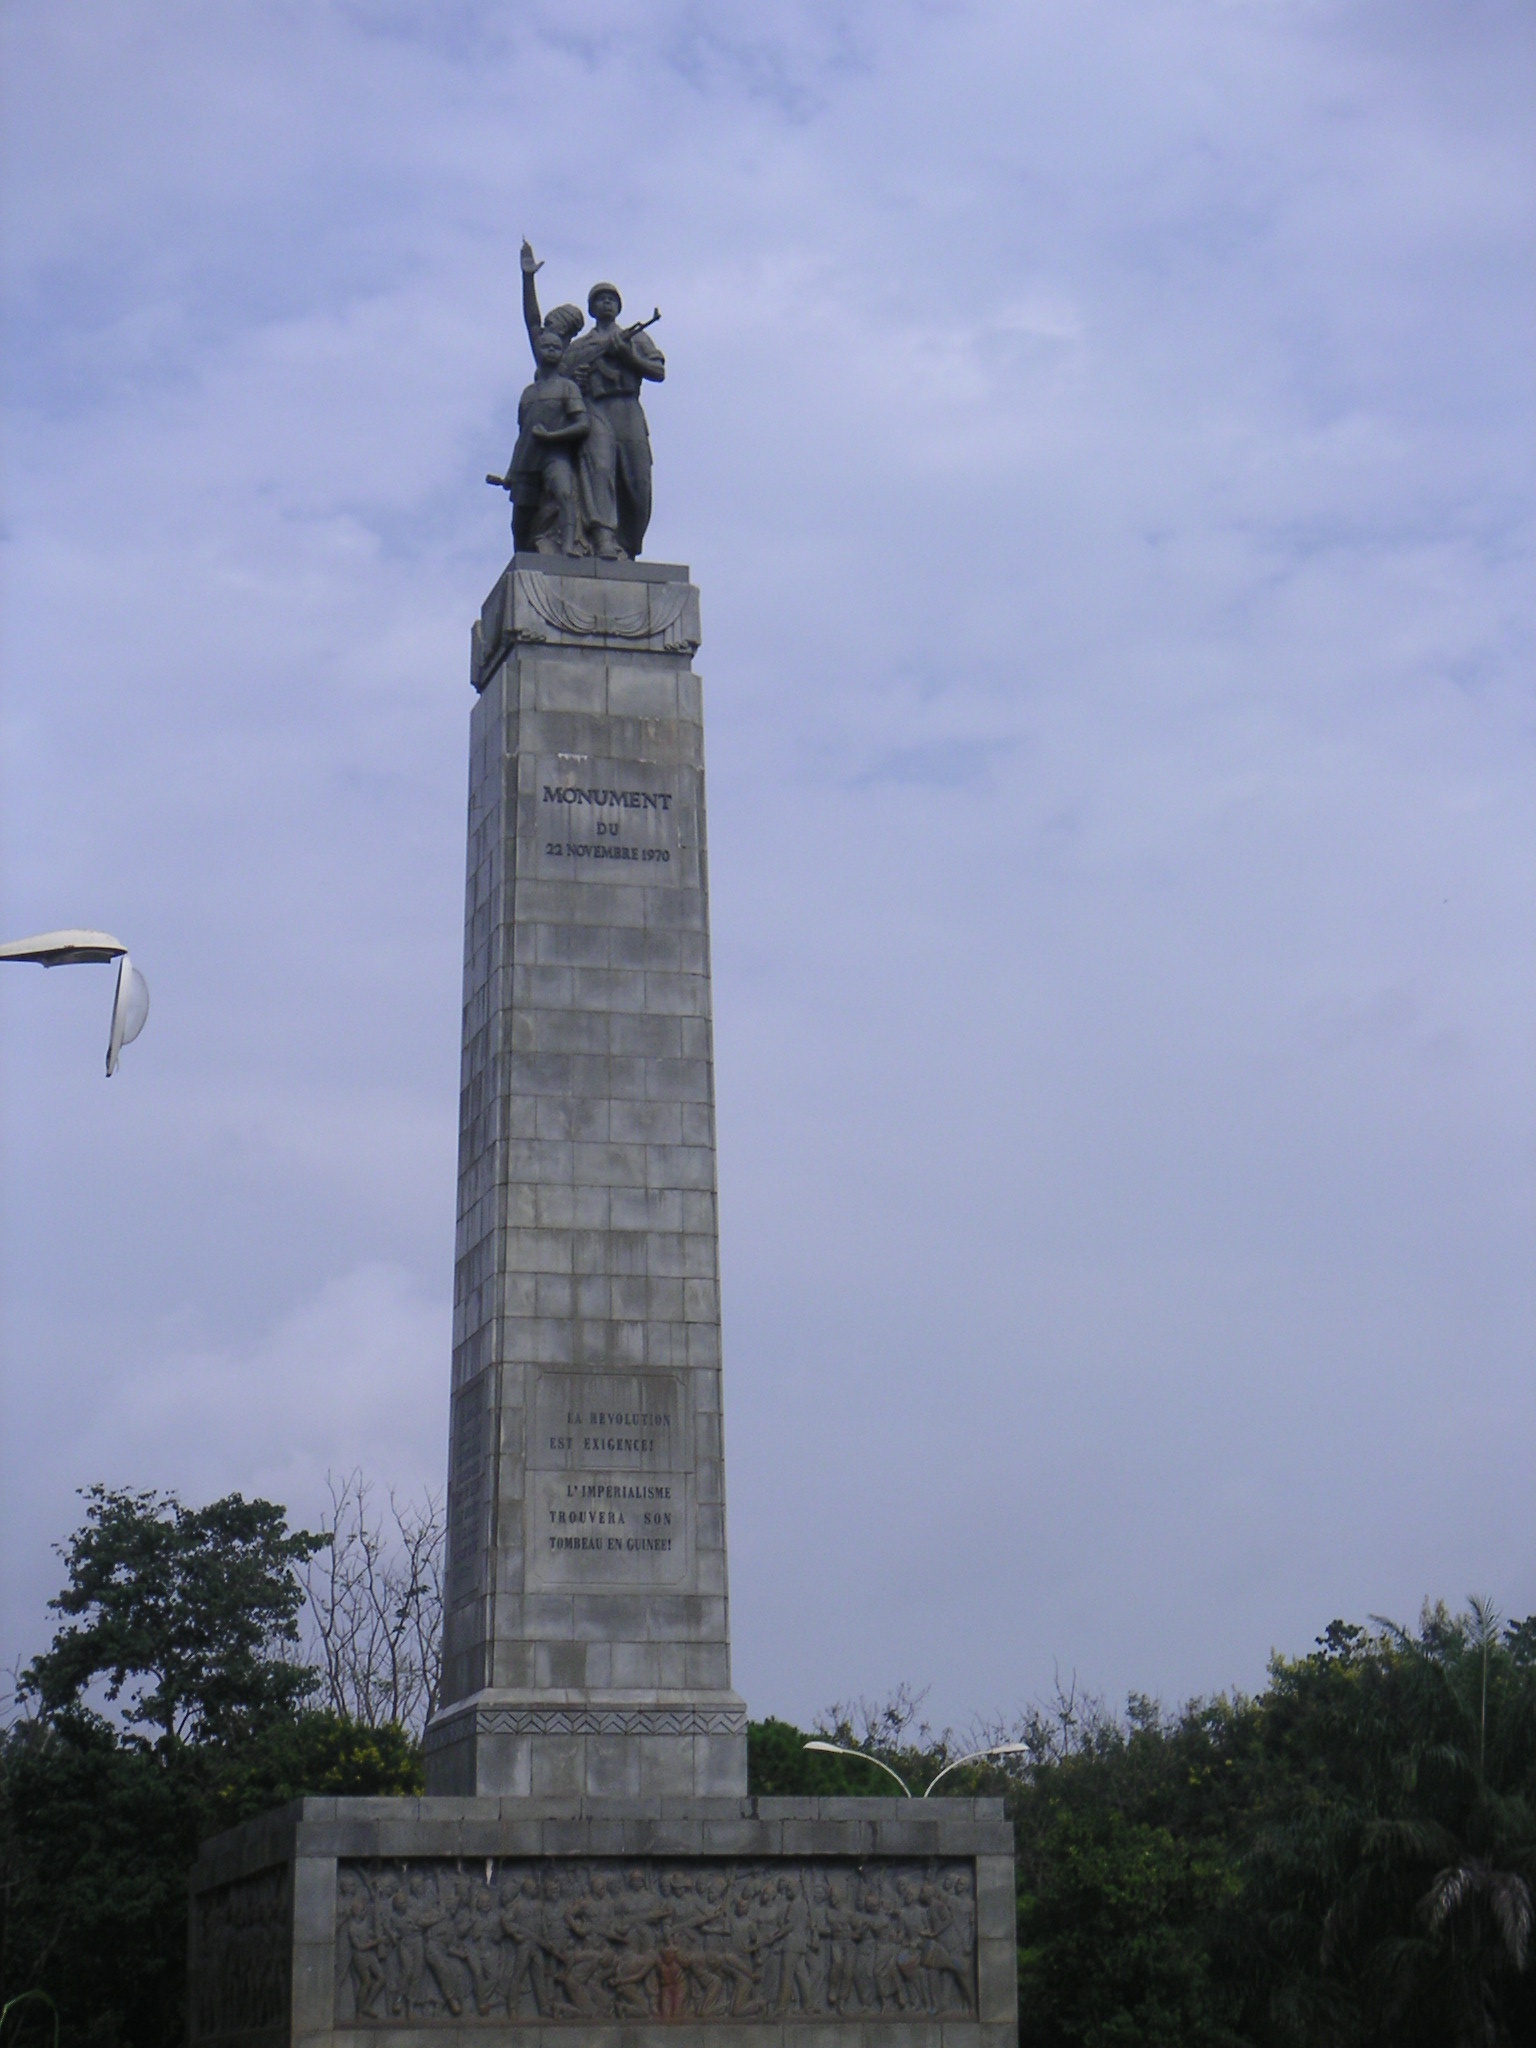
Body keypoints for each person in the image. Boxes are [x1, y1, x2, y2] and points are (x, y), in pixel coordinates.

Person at [520, 240, 664, 559]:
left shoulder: (636, 336)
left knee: (637, 484)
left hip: (628, 409)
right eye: (600, 300)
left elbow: (658, 371)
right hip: (595, 410)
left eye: (612, 299)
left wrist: (627, 355)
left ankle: (628, 545)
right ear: (592, 308)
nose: (607, 304)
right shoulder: (578, 348)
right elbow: (561, 376)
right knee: (598, 470)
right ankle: (603, 537)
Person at [499, 322, 589, 557]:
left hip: (554, 454)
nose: (551, 350)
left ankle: (568, 545)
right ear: (538, 351)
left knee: (565, 495)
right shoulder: (528, 393)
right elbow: (522, 435)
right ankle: (522, 557)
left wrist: (552, 437)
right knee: (520, 518)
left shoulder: (568, 387)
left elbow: (582, 425)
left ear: (561, 354)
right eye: (546, 346)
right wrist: (511, 471)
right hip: (527, 460)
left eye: (556, 348)